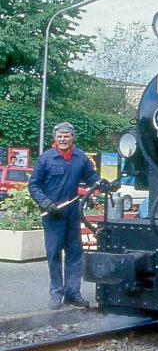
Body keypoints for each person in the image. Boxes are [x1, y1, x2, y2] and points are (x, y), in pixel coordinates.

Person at [28, 122, 99, 310]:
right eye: (59, 136)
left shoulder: (80, 157)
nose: (63, 139)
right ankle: (56, 294)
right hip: (53, 215)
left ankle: (72, 294)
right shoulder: (46, 158)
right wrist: (45, 203)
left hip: (73, 214)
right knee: (54, 255)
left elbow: (92, 178)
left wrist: (102, 184)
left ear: (72, 137)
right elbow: (33, 185)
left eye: (66, 136)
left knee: (75, 254)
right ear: (54, 138)